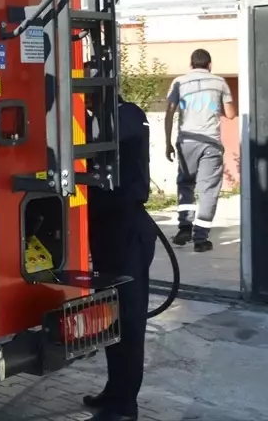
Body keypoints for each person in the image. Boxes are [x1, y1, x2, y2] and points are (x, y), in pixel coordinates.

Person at [84, 95, 158, 421]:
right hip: (109, 229)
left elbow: (109, 143)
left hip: (127, 229)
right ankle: (115, 391)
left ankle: (125, 405)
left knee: (127, 321)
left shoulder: (125, 116)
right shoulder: (116, 116)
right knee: (110, 319)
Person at [164, 48, 236, 252]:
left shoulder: (179, 81)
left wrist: (168, 142)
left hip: (186, 141)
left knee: (185, 184)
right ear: (210, 65)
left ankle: (184, 227)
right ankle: (201, 239)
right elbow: (230, 114)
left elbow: (169, 112)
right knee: (208, 190)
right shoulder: (219, 82)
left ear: (191, 65)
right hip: (210, 143)